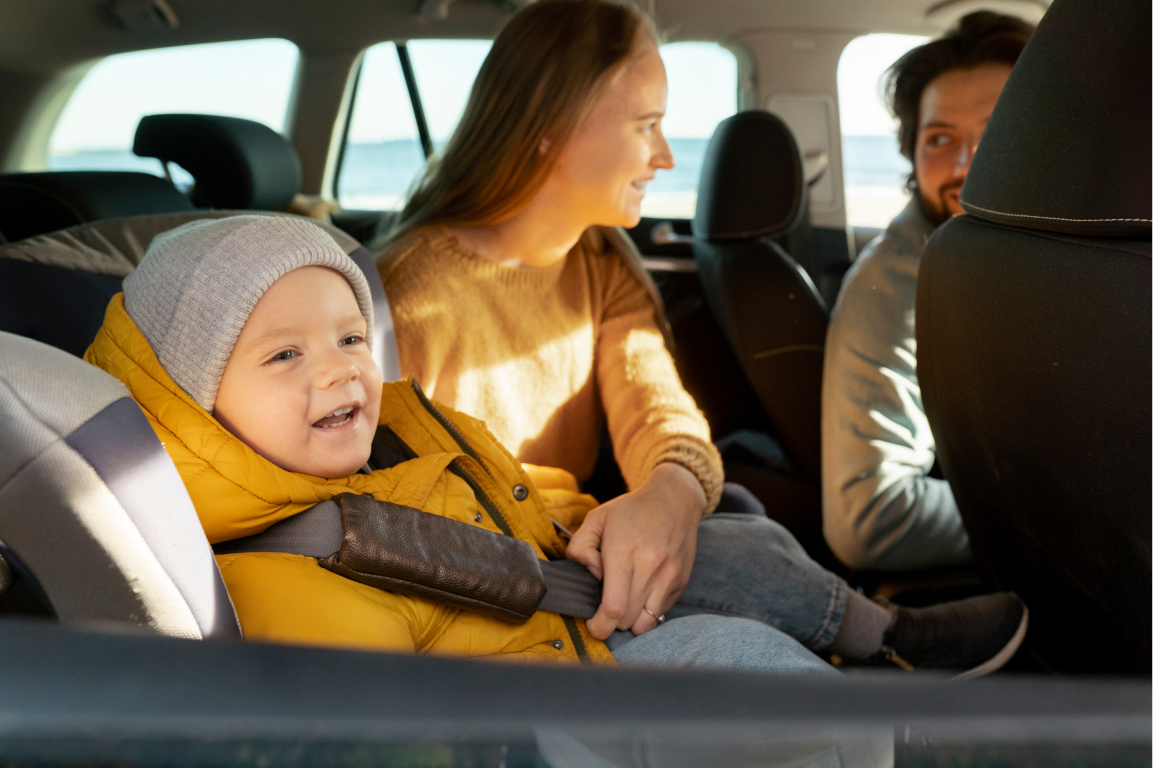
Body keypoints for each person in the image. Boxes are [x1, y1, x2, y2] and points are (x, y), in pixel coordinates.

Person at [86, 215, 1025, 674]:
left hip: (559, 601)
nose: (338, 372)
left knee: (739, 532)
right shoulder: (279, 568)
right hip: (549, 701)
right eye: (283, 355)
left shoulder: (406, 426)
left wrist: (613, 509)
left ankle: (878, 653)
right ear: (193, 395)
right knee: (739, 658)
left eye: (347, 339)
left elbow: (505, 489)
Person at [821, 12, 1034, 572]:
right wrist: (1067, 517)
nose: (967, 164)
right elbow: (870, 517)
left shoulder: (1031, 259)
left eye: (997, 131)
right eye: (941, 139)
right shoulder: (896, 287)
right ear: (912, 156)